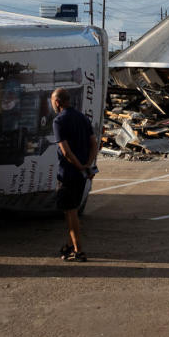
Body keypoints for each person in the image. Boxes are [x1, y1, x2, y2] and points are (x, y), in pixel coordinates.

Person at [51, 87, 97, 261]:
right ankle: (70, 246)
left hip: (68, 174)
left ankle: (78, 250)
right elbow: (94, 144)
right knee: (72, 211)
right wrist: (88, 165)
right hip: (80, 175)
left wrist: (80, 166)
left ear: (57, 102)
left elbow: (66, 152)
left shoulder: (59, 121)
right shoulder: (83, 118)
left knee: (70, 212)